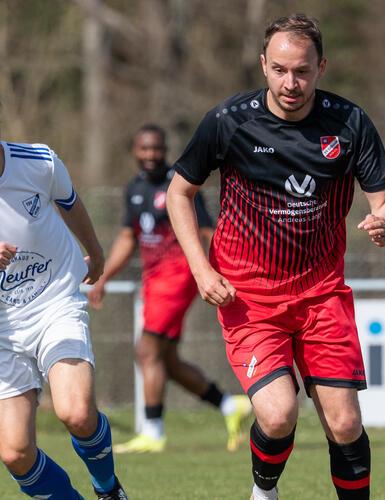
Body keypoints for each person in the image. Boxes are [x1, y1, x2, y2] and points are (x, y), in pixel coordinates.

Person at [166, 13, 385, 500]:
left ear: (321, 67)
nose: (290, 82)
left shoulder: (350, 123)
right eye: (279, 70)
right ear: (263, 66)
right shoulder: (230, 121)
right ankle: (264, 491)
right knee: (277, 414)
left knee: (345, 422)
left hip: (321, 294)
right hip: (248, 295)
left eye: (302, 71)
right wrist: (200, 267)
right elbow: (178, 193)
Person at [0, 75, 127, 500]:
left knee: (76, 411)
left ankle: (108, 488)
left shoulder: (38, 161)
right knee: (15, 453)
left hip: (55, 300)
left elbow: (70, 204)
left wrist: (97, 253)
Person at [87, 124, 252, 453]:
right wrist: (103, 276)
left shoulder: (179, 184)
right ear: (135, 151)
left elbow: (207, 231)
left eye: (156, 149)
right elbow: (127, 237)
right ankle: (229, 406)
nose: (150, 155)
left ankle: (152, 432)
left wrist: (230, 268)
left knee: (146, 351)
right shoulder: (134, 188)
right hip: (154, 278)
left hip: (179, 276)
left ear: (165, 150)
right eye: (144, 149)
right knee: (168, 362)